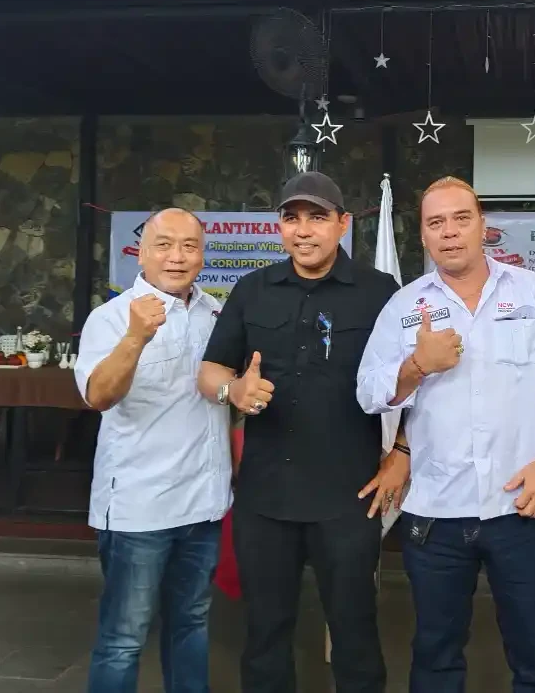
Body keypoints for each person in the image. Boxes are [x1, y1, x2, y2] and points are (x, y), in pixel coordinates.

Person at [357, 176, 535, 693]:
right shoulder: (404, 306)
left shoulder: (531, 292)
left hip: (520, 505)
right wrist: (417, 365)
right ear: (423, 235)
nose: (449, 232)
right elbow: (369, 392)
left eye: (460, 218)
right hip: (436, 514)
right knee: (436, 654)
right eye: (435, 222)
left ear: (483, 226)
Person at [197, 171, 410, 693]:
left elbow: (413, 380)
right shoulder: (253, 290)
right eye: (292, 218)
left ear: (343, 223)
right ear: (280, 227)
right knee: (265, 635)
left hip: (348, 497)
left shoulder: (380, 292)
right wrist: (233, 391)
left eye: (317, 217)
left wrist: (403, 452)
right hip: (265, 497)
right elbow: (211, 371)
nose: (303, 230)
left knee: (355, 635)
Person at [74, 207, 231, 693]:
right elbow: (98, 396)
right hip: (138, 509)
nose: (176, 256)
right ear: (140, 254)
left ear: (202, 256)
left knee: (191, 625)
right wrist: (135, 338)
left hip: (203, 504)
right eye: (163, 245)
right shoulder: (110, 318)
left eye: (189, 246)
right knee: (124, 638)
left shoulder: (216, 314)